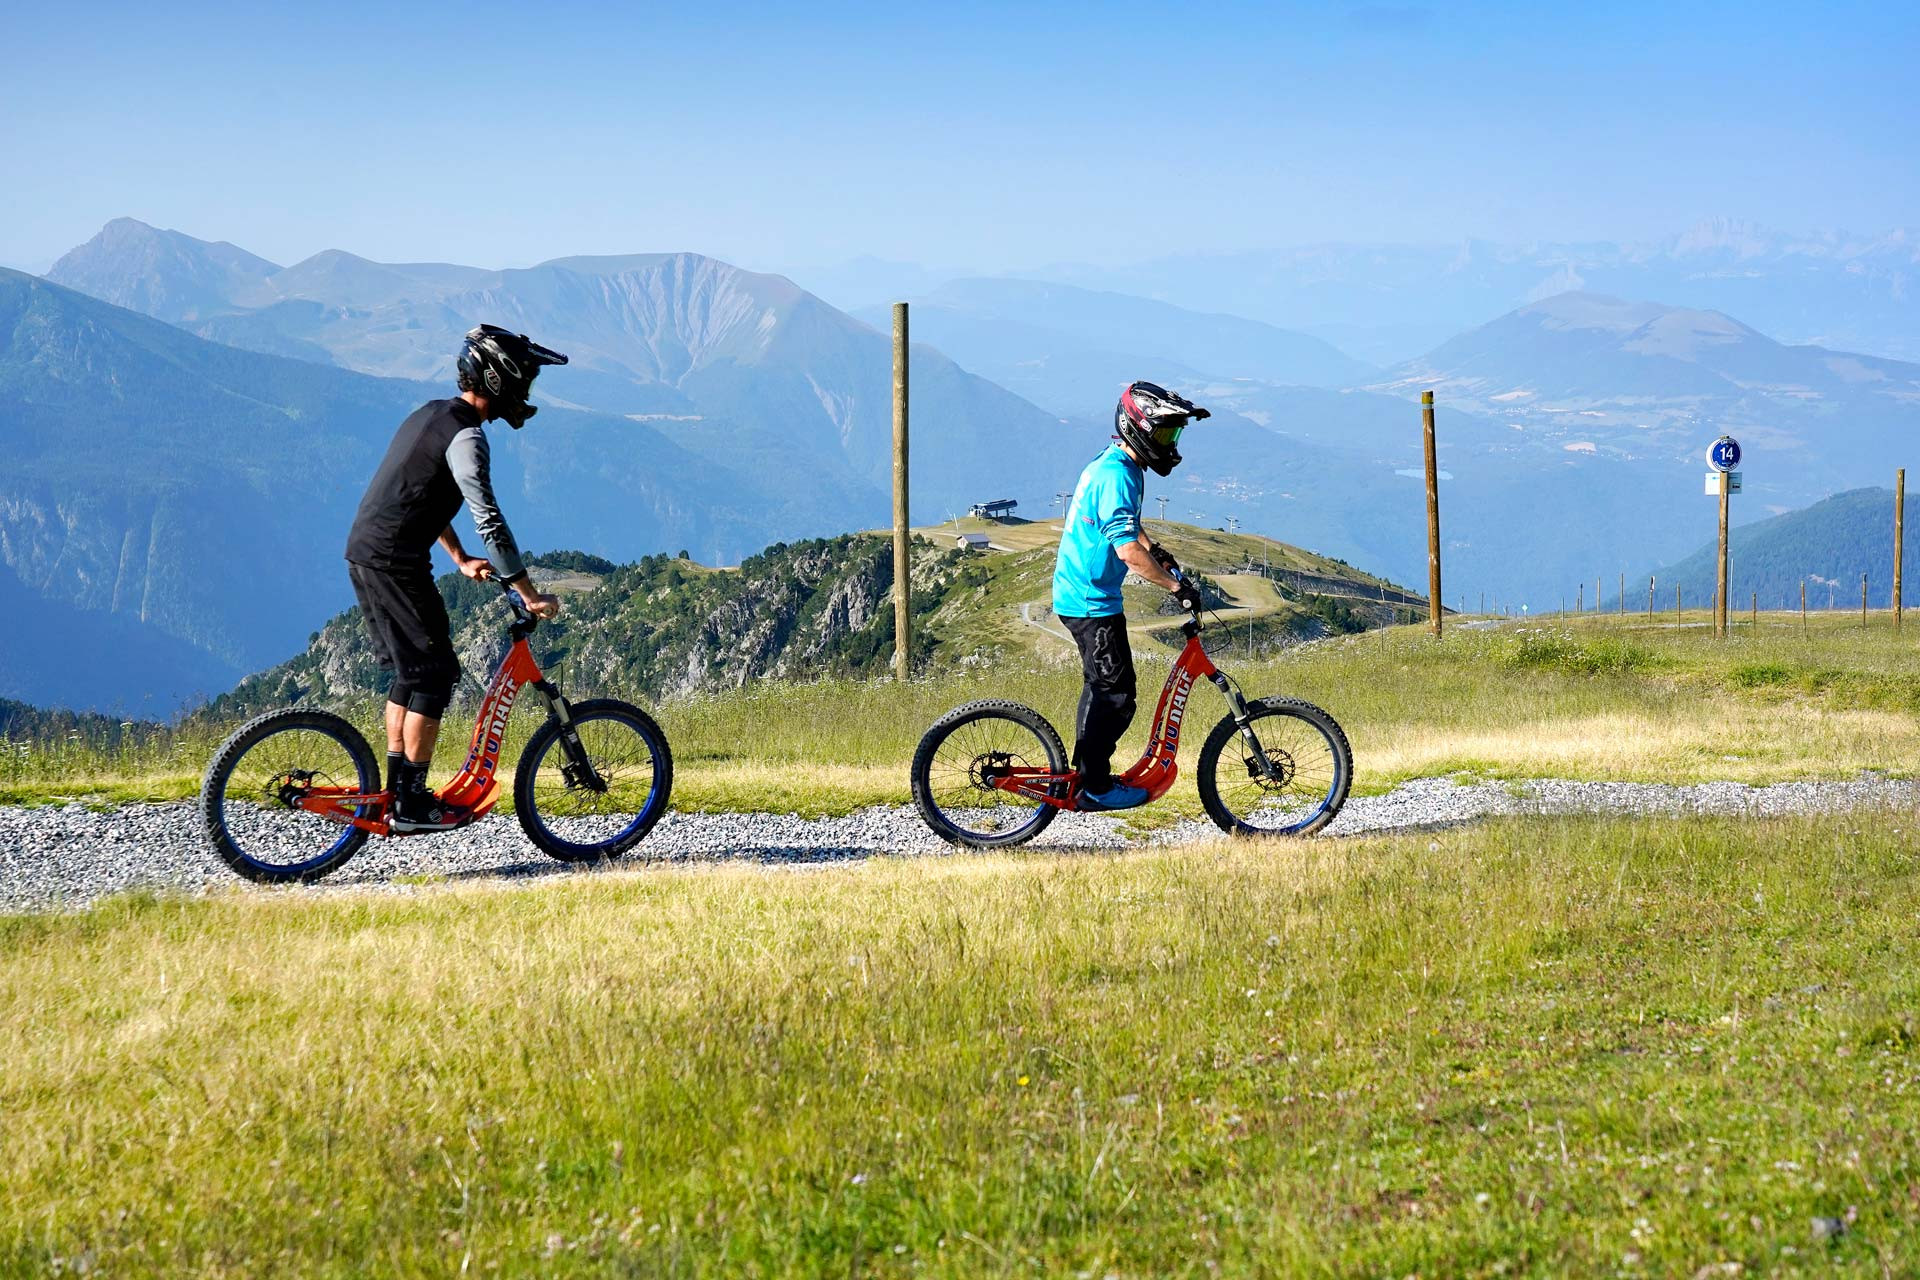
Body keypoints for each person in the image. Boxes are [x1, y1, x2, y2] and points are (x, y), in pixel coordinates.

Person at [343, 325, 569, 831]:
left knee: (413, 674)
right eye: (525, 381)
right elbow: (488, 515)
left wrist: (460, 557)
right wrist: (526, 591)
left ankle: (398, 793)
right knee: (436, 674)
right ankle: (411, 802)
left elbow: (420, 493)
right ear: (499, 380)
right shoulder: (468, 439)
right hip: (394, 560)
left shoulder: (432, 414)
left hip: (368, 552)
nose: (526, 394)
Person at [1051, 381, 1209, 811]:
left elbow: (1128, 528)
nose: (1168, 443)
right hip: (1089, 602)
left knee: (1106, 688)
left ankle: (1086, 774)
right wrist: (1175, 587)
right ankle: (1094, 787)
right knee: (1115, 694)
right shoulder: (1117, 475)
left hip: (1092, 595)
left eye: (1172, 435)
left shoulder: (1121, 465)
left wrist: (1157, 549)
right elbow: (1126, 551)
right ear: (1136, 427)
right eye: (1163, 434)